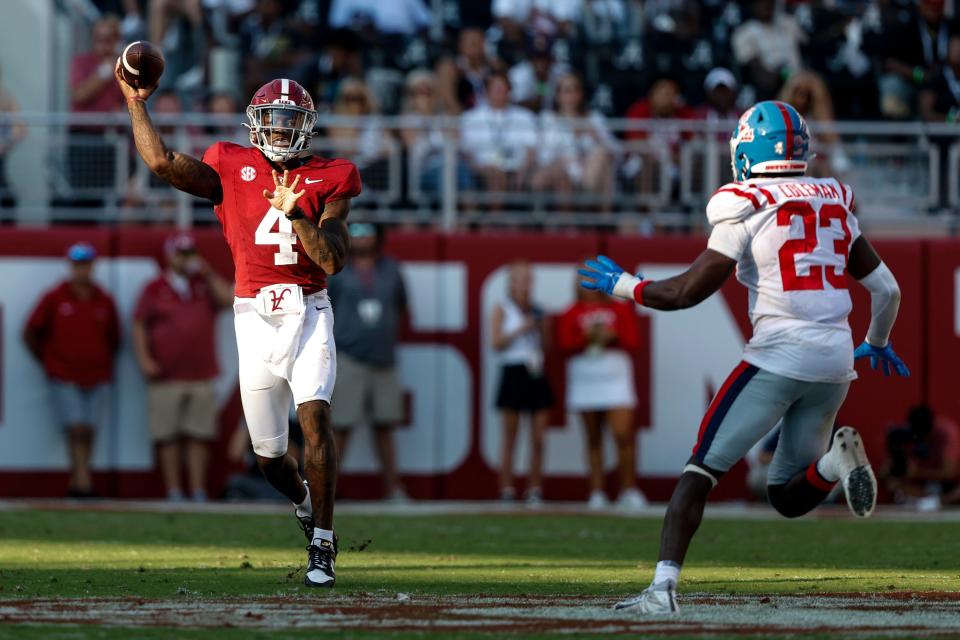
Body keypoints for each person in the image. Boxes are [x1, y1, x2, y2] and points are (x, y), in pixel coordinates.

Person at [579, 100, 910, 613]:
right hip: (835, 360)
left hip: (779, 354)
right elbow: (887, 290)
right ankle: (835, 462)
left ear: (747, 150)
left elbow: (687, 291)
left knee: (700, 471)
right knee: (786, 494)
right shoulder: (835, 201)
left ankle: (662, 590)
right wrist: (879, 342)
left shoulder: (746, 202)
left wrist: (625, 285)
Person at [118, 65, 360, 588]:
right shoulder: (231, 165)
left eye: (287, 120)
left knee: (315, 417)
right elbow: (162, 162)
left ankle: (323, 543)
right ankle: (302, 502)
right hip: (253, 314)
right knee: (270, 458)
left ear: (306, 126)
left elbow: (334, 260)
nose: (278, 129)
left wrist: (298, 215)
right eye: (271, 119)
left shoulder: (331, 175)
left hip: (308, 307)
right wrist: (136, 102)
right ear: (255, 123)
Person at [132, 233, 234, 501]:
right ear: (169, 256)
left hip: (200, 373)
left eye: (189, 254)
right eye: (181, 254)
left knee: (198, 434)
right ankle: (174, 490)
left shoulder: (203, 284)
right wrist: (145, 359)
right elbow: (140, 324)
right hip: (166, 374)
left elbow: (228, 300)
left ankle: (198, 489)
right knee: (169, 436)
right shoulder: (155, 288)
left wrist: (209, 273)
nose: (186, 259)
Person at [23, 243, 120, 498]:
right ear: (70, 266)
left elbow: (115, 337)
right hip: (64, 374)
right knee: (76, 428)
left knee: (89, 429)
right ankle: (82, 480)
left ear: (92, 266)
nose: (82, 270)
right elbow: (31, 331)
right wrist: (48, 361)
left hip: (96, 375)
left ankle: (80, 479)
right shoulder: (55, 297)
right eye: (78, 265)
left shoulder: (103, 299)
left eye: (86, 264)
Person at [327, 223, 409, 501]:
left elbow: (401, 306)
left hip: (384, 358)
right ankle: (327, 491)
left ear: (379, 235)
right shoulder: (337, 270)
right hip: (349, 356)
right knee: (341, 427)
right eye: (356, 230)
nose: (362, 236)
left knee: (386, 427)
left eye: (368, 230)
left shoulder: (392, 269)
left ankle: (393, 489)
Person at [556, 277, 645, 511]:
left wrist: (612, 335)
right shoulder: (571, 312)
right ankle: (597, 492)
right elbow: (563, 344)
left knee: (623, 435)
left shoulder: (618, 309)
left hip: (615, 377)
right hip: (585, 378)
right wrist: (586, 336)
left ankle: (629, 490)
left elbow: (634, 341)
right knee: (593, 438)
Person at [490, 260, 553, 505]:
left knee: (538, 437)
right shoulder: (502, 308)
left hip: (535, 371)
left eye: (528, 279)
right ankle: (506, 487)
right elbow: (496, 343)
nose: (525, 284)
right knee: (510, 435)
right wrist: (520, 329)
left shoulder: (538, 310)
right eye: (520, 279)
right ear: (511, 282)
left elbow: (547, 347)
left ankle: (534, 488)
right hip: (513, 370)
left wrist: (543, 328)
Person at [533, 72, 618, 211]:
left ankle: (591, 203)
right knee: (558, 170)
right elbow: (543, 155)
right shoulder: (548, 119)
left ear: (581, 94)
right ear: (558, 95)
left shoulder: (594, 118)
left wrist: (594, 135)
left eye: (575, 90)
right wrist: (571, 160)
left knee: (602, 153)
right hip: (561, 172)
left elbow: (616, 150)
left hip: (590, 176)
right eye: (566, 91)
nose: (571, 96)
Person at [460, 72, 539, 209]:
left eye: (503, 88)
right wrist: (478, 167)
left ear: (510, 90)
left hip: (517, 168)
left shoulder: (525, 117)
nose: (499, 92)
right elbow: (466, 152)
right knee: (495, 174)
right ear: (486, 91)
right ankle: (495, 220)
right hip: (483, 169)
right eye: (495, 88)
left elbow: (531, 150)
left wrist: (523, 169)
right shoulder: (470, 118)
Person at [884, 405, 960, 509]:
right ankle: (923, 501)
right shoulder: (906, 434)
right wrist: (895, 467)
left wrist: (917, 472)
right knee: (893, 483)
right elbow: (890, 470)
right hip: (924, 486)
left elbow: (949, 472)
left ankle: (938, 502)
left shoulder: (948, 433)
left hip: (949, 486)